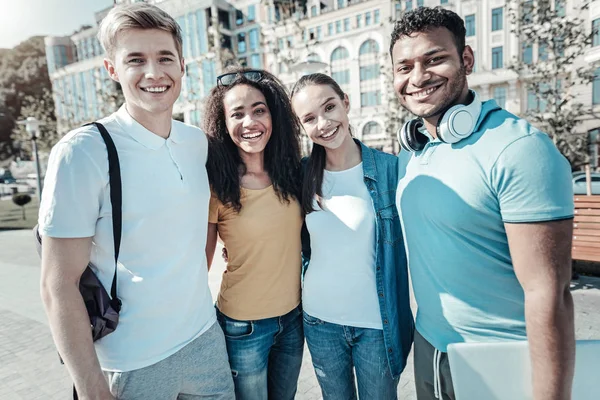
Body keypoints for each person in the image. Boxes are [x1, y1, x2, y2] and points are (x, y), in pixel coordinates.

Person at [38, 3, 234, 399]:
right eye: (135, 60)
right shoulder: (83, 152)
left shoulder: (197, 143)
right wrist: (92, 389)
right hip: (131, 364)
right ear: (112, 69)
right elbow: (58, 286)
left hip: (205, 343)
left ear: (183, 65)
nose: (154, 73)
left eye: (165, 58)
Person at [390, 7, 575, 400]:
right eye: (404, 67)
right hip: (431, 349)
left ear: (466, 59)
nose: (418, 77)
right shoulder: (413, 151)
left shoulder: (519, 149)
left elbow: (550, 295)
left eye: (434, 59)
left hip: (504, 364)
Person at [290, 73, 414, 400]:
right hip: (320, 322)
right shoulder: (301, 175)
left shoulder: (390, 169)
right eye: (309, 118)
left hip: (377, 324)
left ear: (345, 102)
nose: (323, 123)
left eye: (329, 107)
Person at [203, 68, 304, 400]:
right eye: (237, 113)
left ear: (273, 115)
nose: (250, 122)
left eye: (259, 110)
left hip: (293, 320)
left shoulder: (293, 174)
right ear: (224, 124)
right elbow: (197, 266)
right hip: (243, 327)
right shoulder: (216, 186)